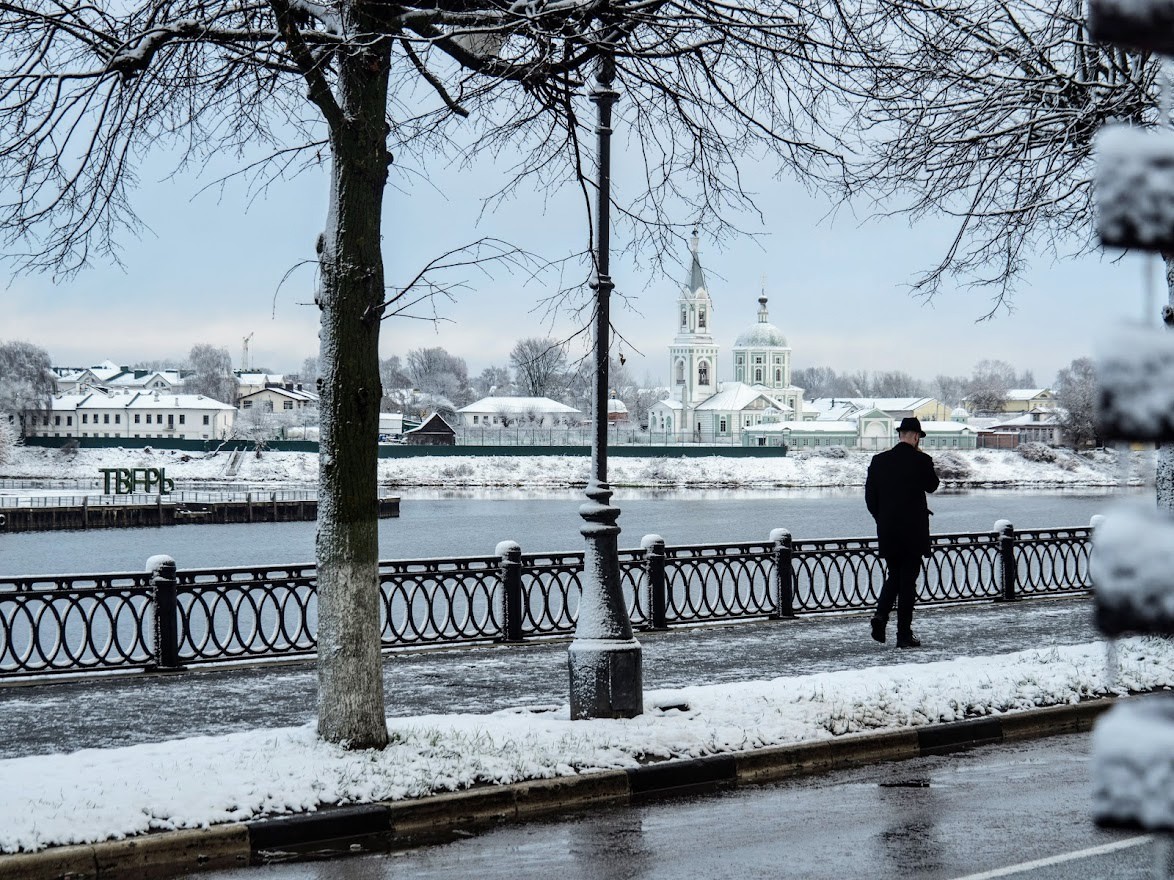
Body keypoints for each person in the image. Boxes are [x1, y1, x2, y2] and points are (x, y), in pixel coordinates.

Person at [865, 416, 940, 648]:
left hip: (888, 531)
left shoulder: (878, 461)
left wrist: (884, 519)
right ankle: (903, 635)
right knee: (908, 583)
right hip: (914, 532)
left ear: (900, 435)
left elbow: (870, 499)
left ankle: (881, 616)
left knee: (895, 576)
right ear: (916, 437)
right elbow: (933, 486)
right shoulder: (922, 460)